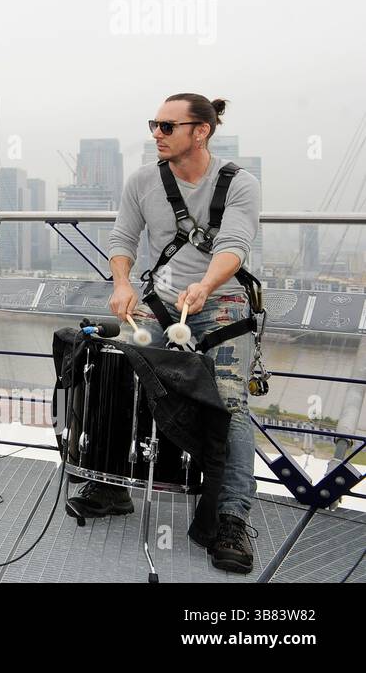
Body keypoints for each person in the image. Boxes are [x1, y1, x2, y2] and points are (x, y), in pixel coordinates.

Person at [71, 93, 260, 573]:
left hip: (221, 302)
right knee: (115, 368)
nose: (156, 133)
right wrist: (121, 283)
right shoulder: (142, 181)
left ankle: (230, 517)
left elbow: (234, 245)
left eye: (167, 126)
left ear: (202, 131)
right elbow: (122, 238)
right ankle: (112, 485)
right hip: (159, 304)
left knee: (230, 400)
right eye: (154, 124)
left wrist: (205, 285)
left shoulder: (240, 184)